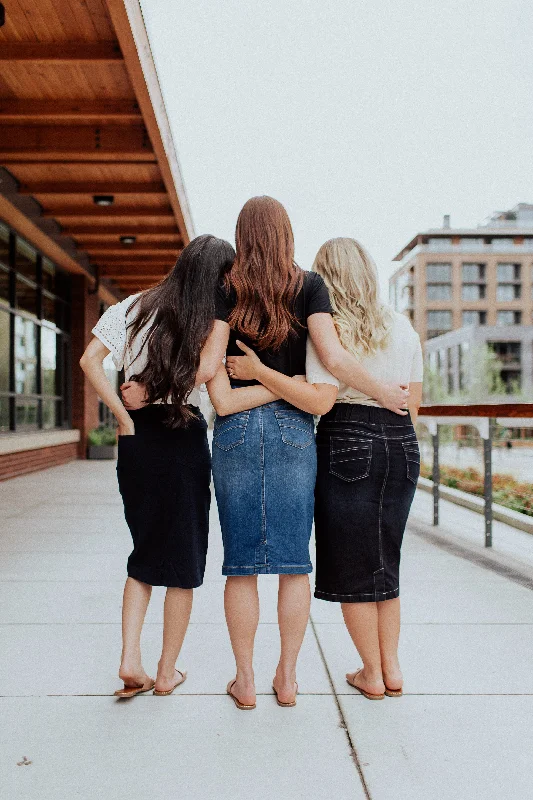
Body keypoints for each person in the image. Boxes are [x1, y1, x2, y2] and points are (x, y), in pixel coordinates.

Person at [206, 197, 411, 710]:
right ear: (287, 234)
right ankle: (288, 678)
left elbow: (213, 370)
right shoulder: (310, 287)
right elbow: (330, 368)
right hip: (297, 433)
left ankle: (246, 679)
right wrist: (374, 389)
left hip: (233, 431)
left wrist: (250, 374)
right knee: (295, 565)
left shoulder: (225, 287)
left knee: (241, 567)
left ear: (242, 234)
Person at [80, 235, 235, 698]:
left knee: (144, 552)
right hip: (182, 435)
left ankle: (130, 659)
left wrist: (125, 414)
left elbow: (89, 360)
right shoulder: (211, 318)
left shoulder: (133, 306)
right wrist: (160, 390)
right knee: (184, 560)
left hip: (137, 439)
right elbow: (208, 369)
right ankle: (166, 673)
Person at [306, 237, 424, 700]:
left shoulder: (325, 327)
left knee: (352, 562)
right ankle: (391, 669)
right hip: (402, 442)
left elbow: (323, 393)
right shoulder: (403, 326)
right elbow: (412, 403)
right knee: (384, 558)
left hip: (347, 436)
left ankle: (371, 673)